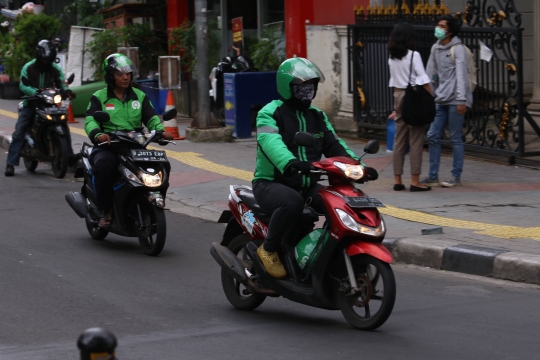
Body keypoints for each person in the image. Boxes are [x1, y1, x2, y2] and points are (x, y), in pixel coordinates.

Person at [253, 57, 379, 278]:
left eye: (311, 86)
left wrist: (360, 167)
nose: (307, 91)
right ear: (287, 86)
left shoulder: (317, 116)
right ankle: (269, 249)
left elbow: (335, 146)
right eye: (301, 86)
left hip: (306, 184)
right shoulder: (270, 112)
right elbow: (271, 143)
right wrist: (290, 163)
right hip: (271, 183)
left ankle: (324, 253)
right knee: (292, 202)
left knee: (343, 201)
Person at [84, 53, 173, 228]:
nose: (125, 77)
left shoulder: (139, 96)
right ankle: (106, 210)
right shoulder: (99, 97)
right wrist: (97, 134)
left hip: (134, 146)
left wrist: (161, 132)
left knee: (163, 164)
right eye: (119, 74)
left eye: (128, 73)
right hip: (108, 147)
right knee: (103, 166)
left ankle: (154, 200)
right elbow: (90, 119)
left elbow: (151, 118)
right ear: (110, 76)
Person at [5, 39, 76, 176]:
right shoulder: (28, 67)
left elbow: (61, 83)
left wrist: (67, 91)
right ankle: (10, 163)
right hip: (31, 104)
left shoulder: (55, 69)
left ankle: (70, 156)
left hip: (50, 103)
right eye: (44, 61)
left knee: (63, 123)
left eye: (48, 61)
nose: (46, 64)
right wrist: (34, 92)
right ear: (38, 56)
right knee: (19, 130)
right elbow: (22, 85)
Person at [422, 15, 473, 188]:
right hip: (440, 99)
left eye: (442, 26)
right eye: (438, 24)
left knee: (455, 138)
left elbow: (462, 76)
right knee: (433, 135)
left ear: (450, 31)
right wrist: (432, 95)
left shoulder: (458, 49)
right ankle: (432, 175)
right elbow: (431, 74)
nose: (438, 28)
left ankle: (455, 176)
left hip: (455, 100)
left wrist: (461, 100)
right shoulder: (435, 48)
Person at [388, 22, 432, 192]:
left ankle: (397, 179)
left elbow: (393, 82)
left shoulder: (392, 57)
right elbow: (423, 79)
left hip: (398, 95)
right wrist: (431, 97)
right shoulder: (414, 55)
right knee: (416, 140)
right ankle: (415, 180)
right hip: (413, 96)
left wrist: (395, 105)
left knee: (399, 139)